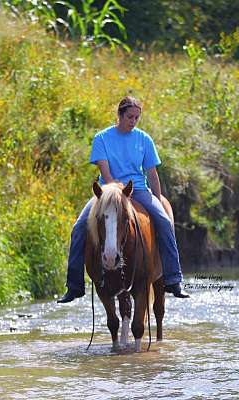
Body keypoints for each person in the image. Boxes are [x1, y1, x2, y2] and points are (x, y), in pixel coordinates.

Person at [58, 96, 189, 303]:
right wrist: (115, 193)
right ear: (119, 115)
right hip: (109, 193)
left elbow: (152, 173)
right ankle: (74, 285)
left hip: (137, 190)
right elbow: (105, 171)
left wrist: (157, 200)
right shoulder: (102, 138)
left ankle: (173, 279)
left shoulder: (144, 139)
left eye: (137, 117)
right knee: (79, 227)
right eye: (130, 117)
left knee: (164, 221)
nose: (133, 121)